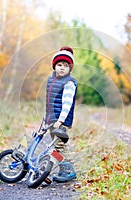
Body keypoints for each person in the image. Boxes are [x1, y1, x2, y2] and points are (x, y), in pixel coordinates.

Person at [45, 46, 77, 183]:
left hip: (60, 122)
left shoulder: (68, 83)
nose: (62, 68)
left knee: (59, 147)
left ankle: (69, 171)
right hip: (52, 120)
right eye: (59, 65)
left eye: (65, 65)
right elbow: (50, 103)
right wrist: (47, 119)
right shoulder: (52, 80)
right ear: (54, 66)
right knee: (54, 147)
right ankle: (47, 172)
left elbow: (66, 105)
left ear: (70, 68)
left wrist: (60, 120)